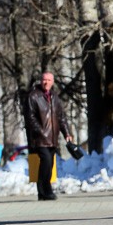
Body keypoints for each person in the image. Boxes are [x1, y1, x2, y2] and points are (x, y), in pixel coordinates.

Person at [26, 72, 73, 201]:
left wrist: (67, 133)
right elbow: (30, 118)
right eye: (44, 80)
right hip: (40, 138)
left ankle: (42, 193)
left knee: (49, 164)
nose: (46, 82)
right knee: (46, 161)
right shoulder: (33, 96)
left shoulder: (55, 97)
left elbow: (61, 118)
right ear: (41, 81)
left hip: (53, 138)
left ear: (52, 82)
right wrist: (40, 131)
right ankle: (46, 191)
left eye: (49, 80)